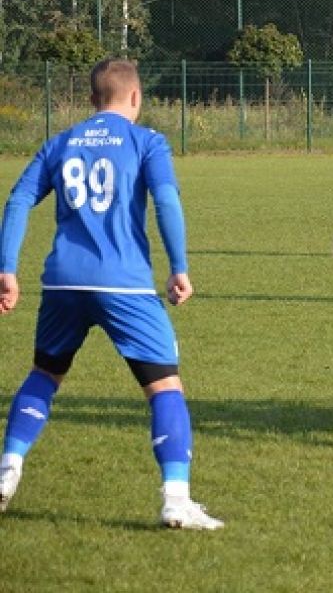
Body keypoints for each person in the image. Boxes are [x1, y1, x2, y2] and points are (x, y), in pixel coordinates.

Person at [0, 58, 222, 529]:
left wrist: (7, 269)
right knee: (164, 386)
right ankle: (176, 500)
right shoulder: (146, 141)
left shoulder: (60, 142)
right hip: (123, 284)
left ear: (92, 99)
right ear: (136, 97)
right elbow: (166, 201)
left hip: (62, 282)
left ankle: (7, 470)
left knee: (45, 373)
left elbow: (17, 198)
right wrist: (179, 267)